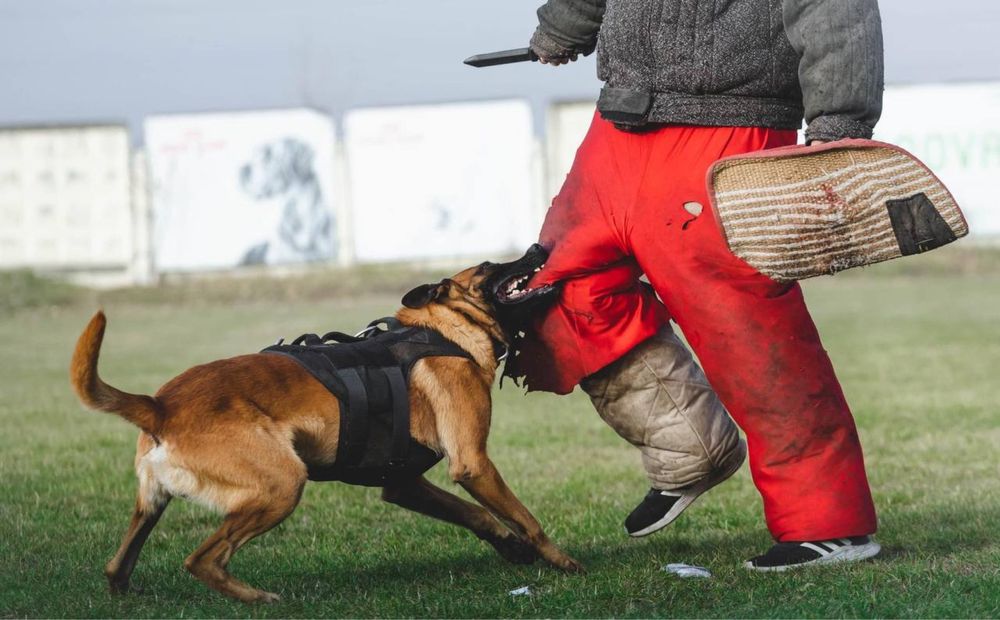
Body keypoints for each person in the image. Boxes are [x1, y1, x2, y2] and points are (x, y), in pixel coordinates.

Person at [518, 0, 884, 571]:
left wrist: (839, 127)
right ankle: (689, 448)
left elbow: (836, 10)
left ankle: (829, 526)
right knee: (557, 290)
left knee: (751, 338)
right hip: (618, 125)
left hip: (733, 135)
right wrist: (563, 27)